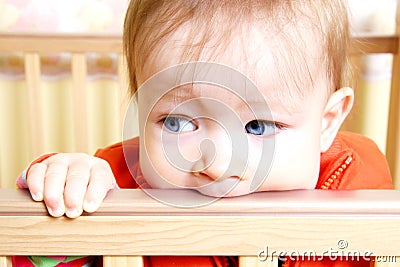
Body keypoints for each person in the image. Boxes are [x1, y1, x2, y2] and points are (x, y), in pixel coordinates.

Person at [14, 0, 393, 266]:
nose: (217, 163)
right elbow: (42, 259)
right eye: (179, 122)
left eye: (257, 127)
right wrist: (64, 186)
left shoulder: (359, 180)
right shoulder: (117, 181)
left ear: (326, 123)